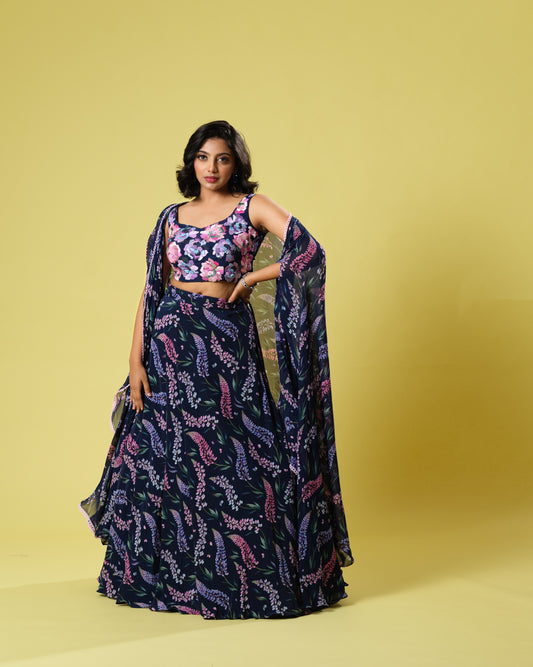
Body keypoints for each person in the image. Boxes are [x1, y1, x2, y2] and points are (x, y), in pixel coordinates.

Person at [79, 120, 354, 619]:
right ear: (191, 162)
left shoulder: (252, 207)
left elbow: (309, 253)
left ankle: (252, 581)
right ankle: (167, 582)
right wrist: (134, 360)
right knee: (165, 457)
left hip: (226, 342)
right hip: (169, 342)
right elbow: (152, 289)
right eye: (203, 157)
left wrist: (251, 277)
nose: (211, 168)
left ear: (236, 164)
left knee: (242, 457)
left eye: (222, 158)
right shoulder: (171, 217)